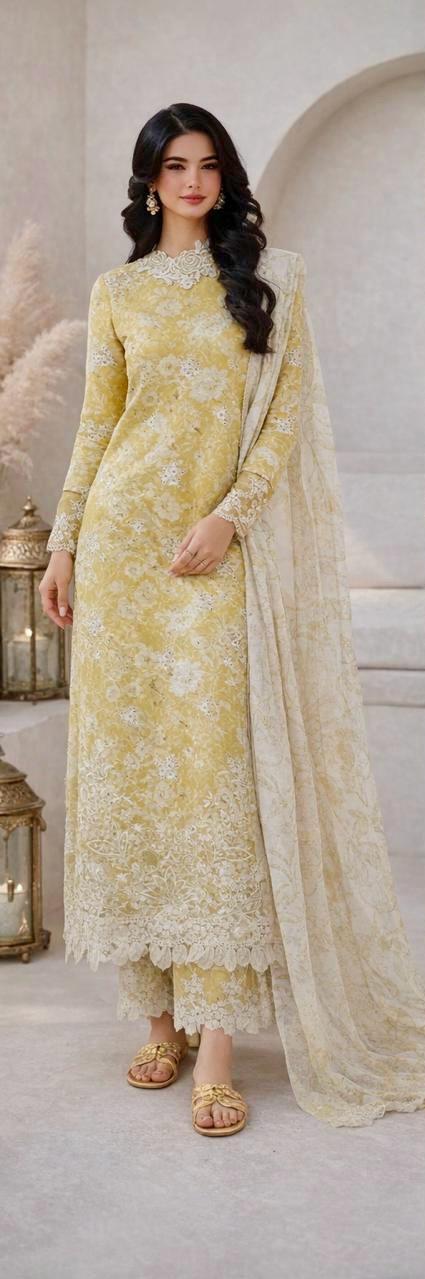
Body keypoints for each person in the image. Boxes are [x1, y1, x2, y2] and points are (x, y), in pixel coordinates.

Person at [40, 101, 425, 1136]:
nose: (194, 181)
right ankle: (158, 1021)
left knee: (210, 791)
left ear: (226, 176)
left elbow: (284, 418)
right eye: (175, 165)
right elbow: (98, 423)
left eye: (208, 164)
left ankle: (217, 1045)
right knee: (132, 785)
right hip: (124, 556)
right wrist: (66, 541)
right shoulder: (118, 290)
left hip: (213, 558)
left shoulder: (271, 281)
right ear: (148, 180)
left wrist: (228, 517)